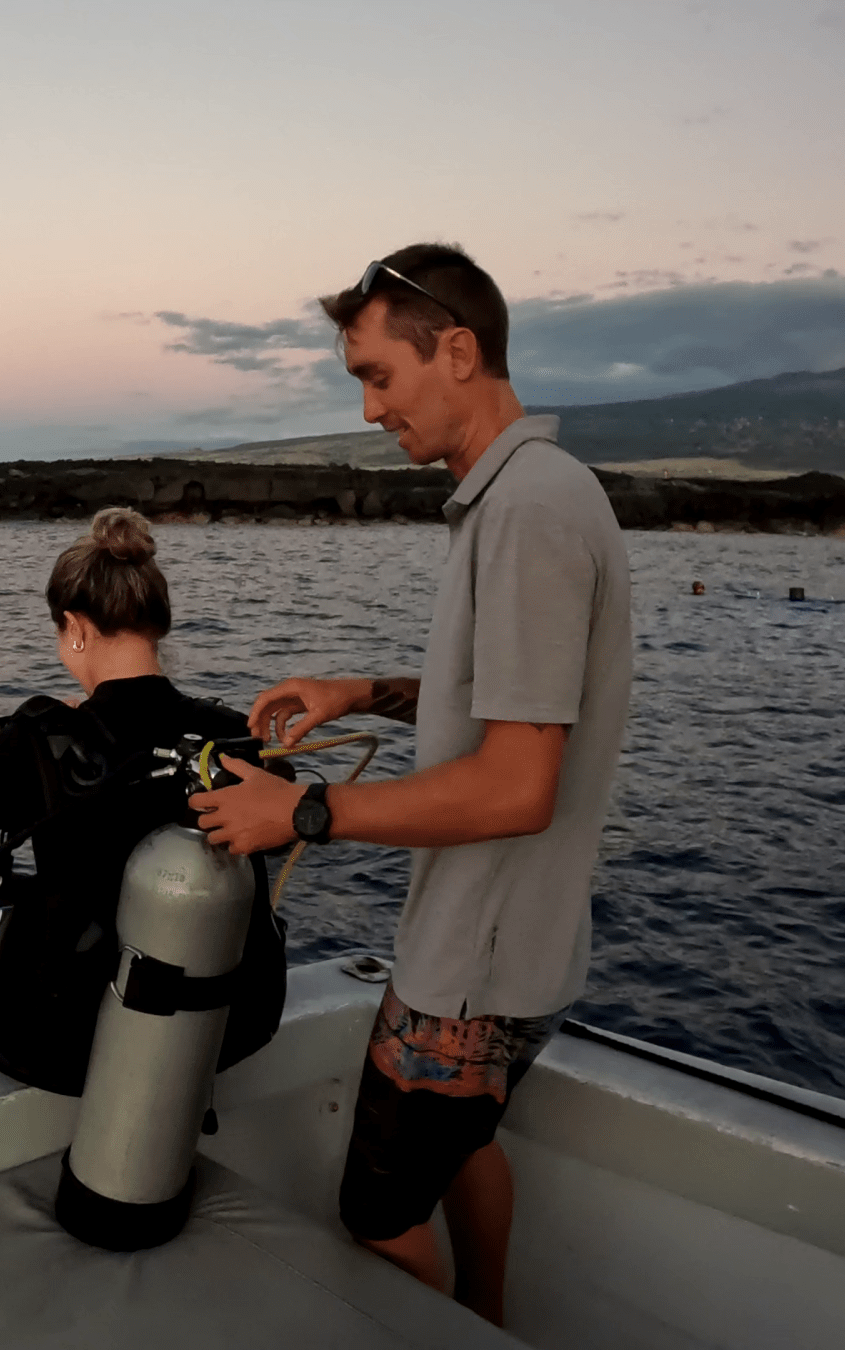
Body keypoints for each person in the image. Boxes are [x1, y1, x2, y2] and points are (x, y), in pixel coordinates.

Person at [192, 243, 631, 1326]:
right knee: (467, 1148)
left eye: (377, 377)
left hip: (470, 966)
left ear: (461, 352)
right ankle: (491, 1320)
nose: (370, 410)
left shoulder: (528, 511)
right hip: (517, 949)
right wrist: (363, 691)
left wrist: (299, 811)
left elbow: (518, 785)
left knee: (381, 1220)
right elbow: (515, 694)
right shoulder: (527, 493)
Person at [0, 506, 279, 1092]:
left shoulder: (36, 742)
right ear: (157, 624)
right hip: (230, 1023)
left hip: (79, 1039)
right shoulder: (231, 729)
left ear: (75, 627)